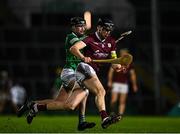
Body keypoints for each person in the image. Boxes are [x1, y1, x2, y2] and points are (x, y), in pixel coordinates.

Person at [18, 17, 95, 131]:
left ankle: (31, 105)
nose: (82, 28)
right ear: (73, 27)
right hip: (69, 73)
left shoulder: (83, 40)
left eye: (84, 25)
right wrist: (95, 40)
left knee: (58, 102)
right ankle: (81, 121)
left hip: (75, 74)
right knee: (85, 88)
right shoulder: (71, 37)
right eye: (79, 26)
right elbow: (82, 44)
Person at [69, 18, 123, 126]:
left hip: (92, 71)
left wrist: (118, 66)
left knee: (69, 105)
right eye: (105, 29)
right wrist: (83, 57)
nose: (107, 32)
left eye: (109, 30)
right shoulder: (89, 38)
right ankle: (105, 118)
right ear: (98, 28)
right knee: (101, 91)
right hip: (83, 68)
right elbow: (73, 48)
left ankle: (36, 107)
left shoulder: (111, 42)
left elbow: (113, 61)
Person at [107, 48, 138, 118]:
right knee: (113, 99)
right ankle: (112, 113)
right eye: (122, 53)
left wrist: (134, 85)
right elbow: (111, 72)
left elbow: (133, 75)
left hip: (124, 84)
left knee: (122, 101)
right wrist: (109, 81)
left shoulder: (129, 64)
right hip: (116, 83)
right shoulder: (116, 61)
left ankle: (120, 115)